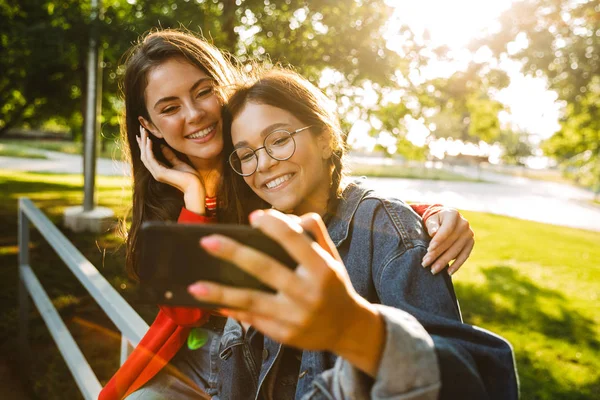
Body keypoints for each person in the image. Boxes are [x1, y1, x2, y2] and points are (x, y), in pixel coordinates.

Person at [99, 29, 476, 399]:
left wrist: (428, 214)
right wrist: (193, 195)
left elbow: (337, 200)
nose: (195, 113)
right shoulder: (186, 190)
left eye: (203, 92)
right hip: (205, 367)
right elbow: (185, 309)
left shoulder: (256, 170)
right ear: (147, 126)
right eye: (169, 107)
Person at [182, 68, 519, 399]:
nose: (264, 163)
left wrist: (356, 328)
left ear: (326, 139)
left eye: (280, 139)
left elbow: (467, 375)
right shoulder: (267, 239)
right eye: (246, 155)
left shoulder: (387, 229)